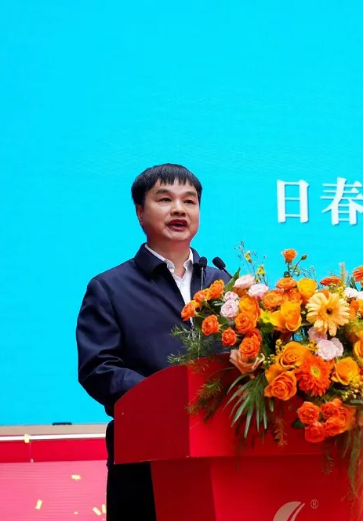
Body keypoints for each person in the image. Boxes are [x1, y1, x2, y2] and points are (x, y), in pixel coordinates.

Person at [76, 164, 230, 520]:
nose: (179, 209)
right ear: (140, 212)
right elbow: (98, 368)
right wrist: (166, 397)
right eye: (165, 199)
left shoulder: (223, 284)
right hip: (145, 453)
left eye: (189, 201)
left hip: (221, 446)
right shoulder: (110, 287)